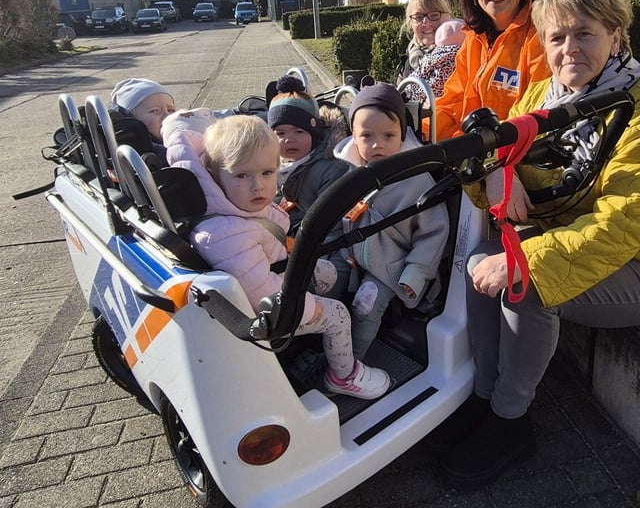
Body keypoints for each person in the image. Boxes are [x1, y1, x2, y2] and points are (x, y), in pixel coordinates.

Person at [435, 0, 640, 488]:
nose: (569, 47)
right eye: (556, 37)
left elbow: (622, 222)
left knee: (524, 281)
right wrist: (498, 175)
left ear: (615, 37)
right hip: (582, 242)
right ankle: (486, 396)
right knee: (478, 261)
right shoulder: (542, 95)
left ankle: (511, 421)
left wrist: (528, 259)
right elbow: (498, 155)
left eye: (585, 33)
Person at [161, 110, 391, 399]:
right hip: (268, 308)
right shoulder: (225, 233)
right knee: (339, 314)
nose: (258, 185)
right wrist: (313, 309)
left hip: (273, 270)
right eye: (242, 175)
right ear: (214, 175)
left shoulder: (235, 206)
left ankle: (319, 328)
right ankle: (343, 375)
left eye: (267, 173)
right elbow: (260, 295)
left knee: (328, 272)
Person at [332, 83, 450, 359]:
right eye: (367, 136)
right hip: (350, 253)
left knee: (365, 304)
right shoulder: (348, 171)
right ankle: (317, 345)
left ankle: (347, 365)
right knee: (321, 284)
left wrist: (416, 273)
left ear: (402, 134)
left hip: (391, 263)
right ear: (354, 136)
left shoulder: (416, 179)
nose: (378, 145)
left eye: (388, 135)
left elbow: (434, 233)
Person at [431, 0, 550, 141]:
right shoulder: (473, 38)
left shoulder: (539, 36)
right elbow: (453, 102)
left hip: (514, 156)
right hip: (470, 151)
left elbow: (536, 111)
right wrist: (421, 132)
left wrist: (482, 145)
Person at [267, 75, 353, 299]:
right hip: (290, 242)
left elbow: (329, 227)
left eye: (299, 132)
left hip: (329, 251)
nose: (289, 140)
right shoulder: (273, 165)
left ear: (314, 134)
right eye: (280, 133)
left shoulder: (330, 169)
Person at [395, 0, 454, 84]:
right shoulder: (408, 58)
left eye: (434, 15)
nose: (426, 22)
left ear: (449, 17)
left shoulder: (460, 55)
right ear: (411, 23)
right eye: (418, 17)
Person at [109, 77, 176, 158]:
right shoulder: (146, 152)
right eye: (155, 111)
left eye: (171, 110)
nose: (167, 116)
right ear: (133, 119)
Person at [407, 19, 466, 108]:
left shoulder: (431, 57)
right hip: (451, 101)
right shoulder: (465, 58)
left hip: (425, 94)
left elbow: (418, 73)